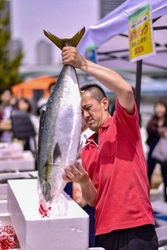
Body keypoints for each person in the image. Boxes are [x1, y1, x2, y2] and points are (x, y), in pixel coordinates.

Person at [61, 47, 158, 250]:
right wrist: (84, 181)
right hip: (104, 232)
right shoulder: (86, 148)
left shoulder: (121, 124)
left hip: (136, 228)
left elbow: (124, 89)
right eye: (82, 112)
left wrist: (83, 64)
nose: (85, 115)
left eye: (88, 108)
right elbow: (95, 200)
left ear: (105, 103)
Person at [146, 101, 167, 202]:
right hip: (153, 151)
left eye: (161, 107)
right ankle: (145, 196)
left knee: (165, 174)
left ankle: (166, 197)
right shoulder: (153, 120)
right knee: (147, 173)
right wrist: (160, 131)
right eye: (157, 107)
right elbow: (149, 128)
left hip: (164, 152)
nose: (159, 109)